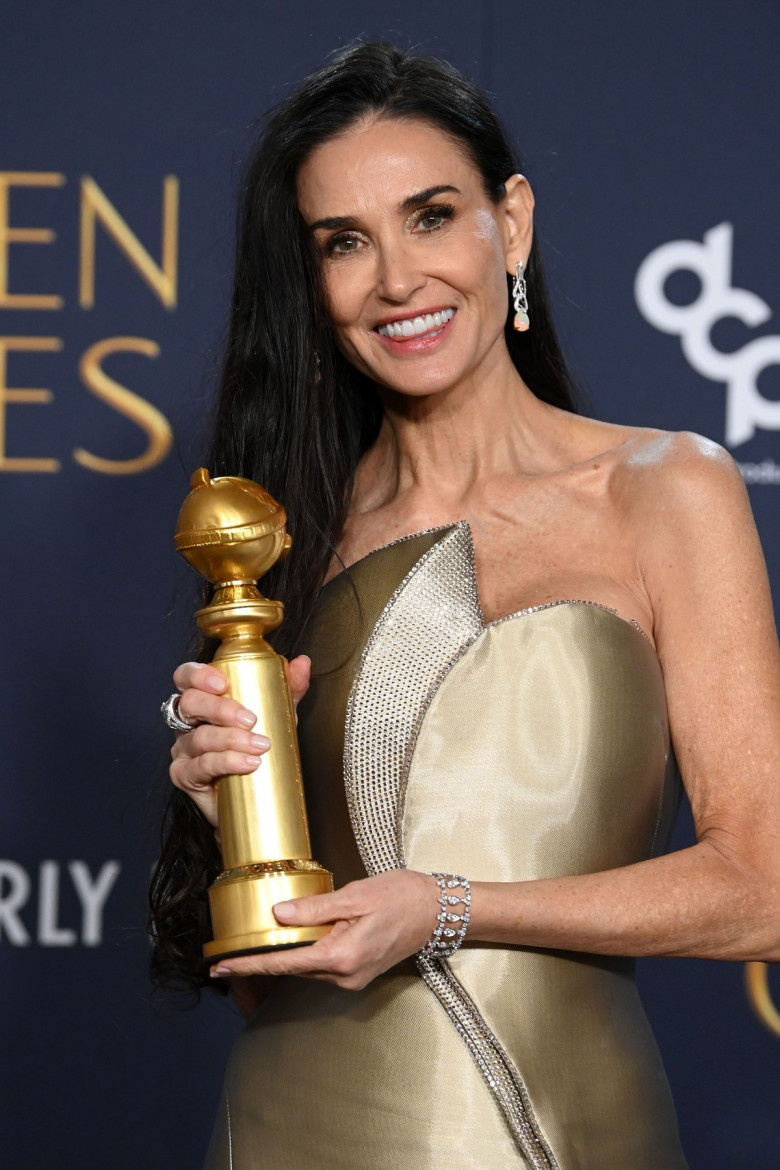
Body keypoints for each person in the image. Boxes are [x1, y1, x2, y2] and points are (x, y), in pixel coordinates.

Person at [149, 40, 780, 1170]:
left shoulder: (666, 490)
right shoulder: (296, 541)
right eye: (345, 243)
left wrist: (446, 906)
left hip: (559, 1123)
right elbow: (264, 990)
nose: (396, 280)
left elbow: (762, 890)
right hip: (297, 1118)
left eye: (431, 216)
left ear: (514, 223)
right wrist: (224, 815)